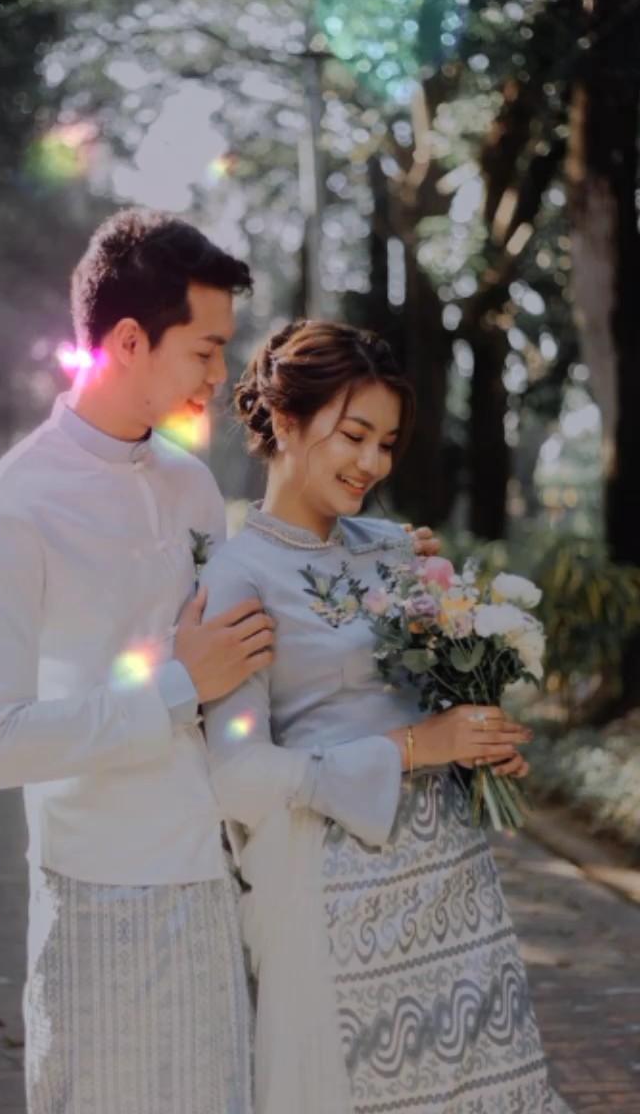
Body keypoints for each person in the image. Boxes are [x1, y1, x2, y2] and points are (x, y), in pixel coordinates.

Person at [0, 209, 273, 1114]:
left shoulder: (192, 485)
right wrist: (176, 688)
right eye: (206, 349)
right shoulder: (13, 508)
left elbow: (234, 670)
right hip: (99, 900)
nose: (221, 374)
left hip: (210, 888)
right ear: (129, 341)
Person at [201, 320, 573, 1114]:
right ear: (286, 420)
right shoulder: (240, 578)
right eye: (354, 435)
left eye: (388, 443)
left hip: (451, 877)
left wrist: (473, 739)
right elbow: (237, 774)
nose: (372, 463)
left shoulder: (397, 550)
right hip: (336, 894)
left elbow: (429, 693)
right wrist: (412, 747)